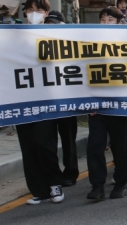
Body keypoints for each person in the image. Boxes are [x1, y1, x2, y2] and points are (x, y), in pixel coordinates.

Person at [0, 0, 66, 204]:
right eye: (29, 9)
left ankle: (54, 184)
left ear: (46, 13)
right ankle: (38, 189)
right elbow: (3, 58)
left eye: (38, 9)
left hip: (46, 99)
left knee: (45, 144)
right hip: (22, 99)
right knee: (28, 146)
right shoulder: (14, 37)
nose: (33, 13)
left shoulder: (55, 35)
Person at [86, 7, 127, 201]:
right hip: (97, 105)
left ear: (120, 22)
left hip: (121, 103)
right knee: (95, 145)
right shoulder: (90, 44)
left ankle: (121, 182)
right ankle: (97, 185)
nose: (105, 22)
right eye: (103, 19)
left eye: (110, 19)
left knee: (121, 145)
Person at [42, 10, 80, 187]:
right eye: (48, 24)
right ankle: (52, 174)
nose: (51, 27)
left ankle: (71, 172)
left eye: (54, 24)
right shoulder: (37, 44)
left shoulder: (70, 45)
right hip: (47, 100)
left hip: (66, 99)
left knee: (68, 138)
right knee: (48, 140)